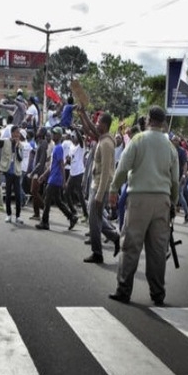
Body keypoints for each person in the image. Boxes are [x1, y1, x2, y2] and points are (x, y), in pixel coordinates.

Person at [106, 106, 179, 304]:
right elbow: (175, 181)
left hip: (139, 198)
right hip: (162, 200)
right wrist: (173, 201)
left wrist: (113, 189)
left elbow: (123, 168)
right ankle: (158, 294)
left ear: (148, 120)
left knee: (130, 246)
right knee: (157, 250)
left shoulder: (138, 140)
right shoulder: (170, 146)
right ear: (164, 123)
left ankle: (124, 290)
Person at [82, 112, 121, 263]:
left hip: (100, 186)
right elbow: (90, 129)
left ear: (104, 125)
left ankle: (97, 253)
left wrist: (99, 194)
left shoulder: (106, 143)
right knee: (96, 218)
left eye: (98, 122)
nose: (96, 124)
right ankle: (115, 237)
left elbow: (106, 171)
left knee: (94, 220)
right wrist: (83, 113)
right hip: (97, 185)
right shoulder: (103, 138)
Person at [35, 127, 78, 231]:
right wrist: (44, 175)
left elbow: (61, 166)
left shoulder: (58, 148)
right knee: (58, 201)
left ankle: (45, 222)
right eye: (52, 133)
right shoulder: (56, 147)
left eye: (55, 134)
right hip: (54, 177)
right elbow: (53, 166)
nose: (52, 135)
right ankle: (72, 217)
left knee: (47, 200)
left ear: (59, 135)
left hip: (55, 178)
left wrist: (64, 181)